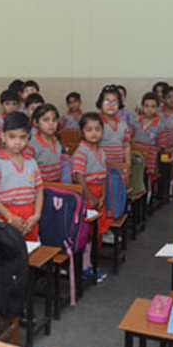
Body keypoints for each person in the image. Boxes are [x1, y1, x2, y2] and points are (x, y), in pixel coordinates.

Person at [0, 112, 43, 242]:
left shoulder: (31, 162)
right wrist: (9, 217)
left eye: (22, 137)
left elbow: (39, 190)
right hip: (6, 214)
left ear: (28, 137)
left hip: (30, 216)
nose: (17, 142)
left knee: (31, 250)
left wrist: (37, 215)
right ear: (3, 136)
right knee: (9, 250)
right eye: (12, 136)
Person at [72, 112, 109, 283]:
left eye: (97, 129)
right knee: (85, 234)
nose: (94, 133)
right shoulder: (81, 151)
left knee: (96, 232)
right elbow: (79, 177)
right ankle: (85, 267)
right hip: (86, 194)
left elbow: (104, 175)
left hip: (98, 193)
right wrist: (91, 198)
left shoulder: (101, 151)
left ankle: (90, 263)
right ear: (82, 132)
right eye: (89, 129)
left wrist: (102, 195)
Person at [131, 92, 166, 190]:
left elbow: (161, 145)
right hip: (135, 157)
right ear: (142, 107)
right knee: (135, 180)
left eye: (153, 106)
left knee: (146, 183)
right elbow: (129, 138)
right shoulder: (136, 122)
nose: (149, 109)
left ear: (158, 108)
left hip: (149, 160)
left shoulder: (160, 125)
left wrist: (149, 151)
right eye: (146, 106)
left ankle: (147, 199)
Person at [96, 85, 131, 170]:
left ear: (119, 104)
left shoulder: (123, 125)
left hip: (118, 168)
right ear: (101, 103)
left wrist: (128, 164)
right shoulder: (96, 122)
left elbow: (126, 146)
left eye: (114, 102)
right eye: (107, 101)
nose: (110, 105)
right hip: (99, 167)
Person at [25, 104, 62, 182]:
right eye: (46, 120)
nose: (51, 123)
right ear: (36, 123)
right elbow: (27, 170)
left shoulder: (56, 141)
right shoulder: (31, 145)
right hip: (40, 184)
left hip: (57, 183)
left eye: (54, 120)